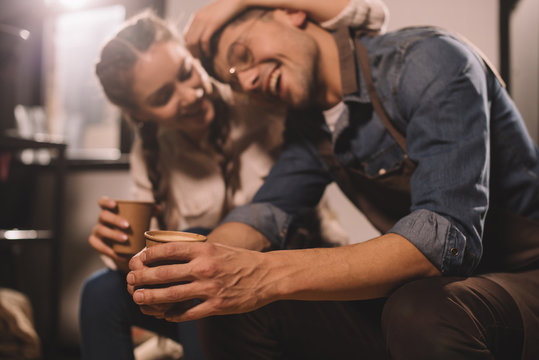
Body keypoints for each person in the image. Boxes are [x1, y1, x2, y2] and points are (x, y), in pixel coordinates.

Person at [126, 2, 539, 359]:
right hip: (437, 293)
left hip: (522, 278)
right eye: (235, 79)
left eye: (244, 54)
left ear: (291, 13)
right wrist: (200, 268)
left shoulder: (427, 60)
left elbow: (442, 243)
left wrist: (260, 275)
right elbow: (264, 213)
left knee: (422, 311)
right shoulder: (312, 127)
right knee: (231, 307)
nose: (247, 81)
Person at [80, 1, 389, 359]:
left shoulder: (259, 95)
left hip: (289, 277)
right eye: (163, 96)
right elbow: (154, 255)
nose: (191, 94)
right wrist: (121, 251)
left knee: (203, 293)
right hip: (208, 285)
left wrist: (239, 3)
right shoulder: (150, 154)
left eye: (186, 71)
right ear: (138, 114)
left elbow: (368, 14)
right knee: (100, 292)